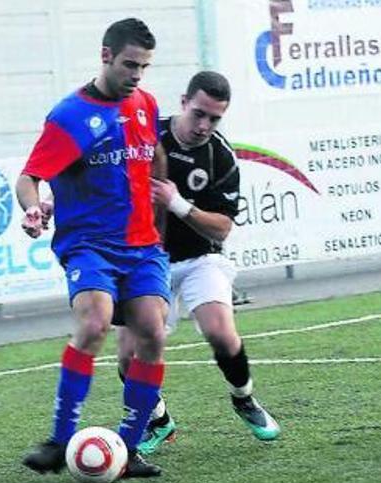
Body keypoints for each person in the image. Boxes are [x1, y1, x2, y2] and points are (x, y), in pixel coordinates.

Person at [16, 18, 170, 477]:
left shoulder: (144, 104)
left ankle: (127, 448)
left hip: (142, 247)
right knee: (95, 320)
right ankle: (60, 438)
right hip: (89, 245)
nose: (137, 76)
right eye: (129, 65)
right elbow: (30, 178)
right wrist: (31, 210)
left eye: (143, 67)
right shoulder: (69, 116)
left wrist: (161, 194)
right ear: (106, 56)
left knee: (153, 333)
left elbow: (154, 155)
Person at [117, 71, 281, 455]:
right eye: (199, 114)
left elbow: (222, 229)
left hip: (199, 260)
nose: (204, 126)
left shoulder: (220, 156)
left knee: (221, 331)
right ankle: (158, 419)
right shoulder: (145, 135)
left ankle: (244, 399)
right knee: (127, 355)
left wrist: (178, 203)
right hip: (145, 262)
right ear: (183, 102)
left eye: (214, 118)